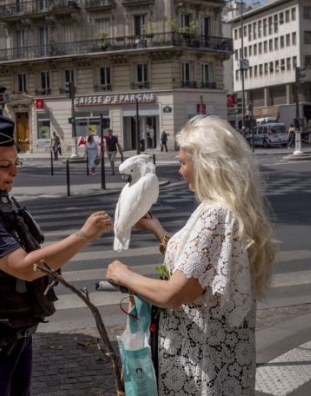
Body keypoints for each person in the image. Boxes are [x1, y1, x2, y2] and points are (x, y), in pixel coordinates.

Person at [0, 115, 112, 396]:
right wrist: (84, 235)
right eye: (4, 166)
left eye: (16, 164)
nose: (14, 172)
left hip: (11, 338)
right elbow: (25, 267)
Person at [106, 115, 275, 395]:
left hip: (203, 368)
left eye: (184, 163)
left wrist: (124, 275)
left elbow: (175, 294)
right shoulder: (232, 209)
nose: (180, 171)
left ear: (207, 165)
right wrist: (157, 229)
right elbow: (202, 264)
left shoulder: (214, 214)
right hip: (225, 363)